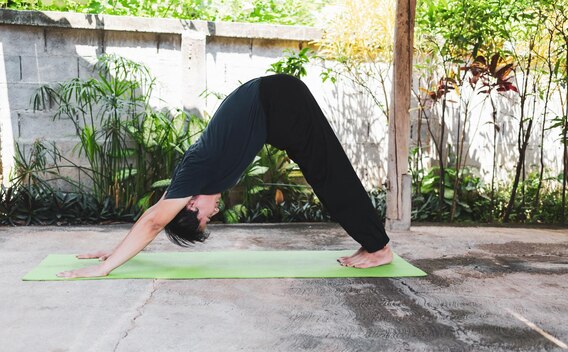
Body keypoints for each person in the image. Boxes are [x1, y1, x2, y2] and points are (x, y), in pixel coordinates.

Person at [56, 74, 392, 279]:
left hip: (279, 101)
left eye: (205, 217)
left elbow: (155, 222)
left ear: (189, 205)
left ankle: (378, 248)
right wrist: (114, 252)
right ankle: (372, 242)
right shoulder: (191, 180)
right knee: (325, 173)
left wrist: (104, 268)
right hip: (274, 109)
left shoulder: (198, 172)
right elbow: (153, 215)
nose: (214, 213)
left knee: (328, 172)